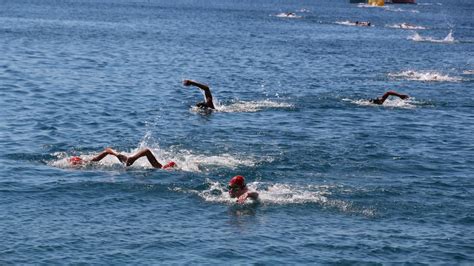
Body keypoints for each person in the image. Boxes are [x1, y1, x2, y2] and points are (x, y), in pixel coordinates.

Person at [68, 147, 176, 169]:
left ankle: (118, 154)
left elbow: (106, 150)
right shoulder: (160, 167)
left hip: (125, 160)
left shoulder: (161, 166)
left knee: (99, 157)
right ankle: (127, 157)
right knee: (146, 151)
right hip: (128, 161)